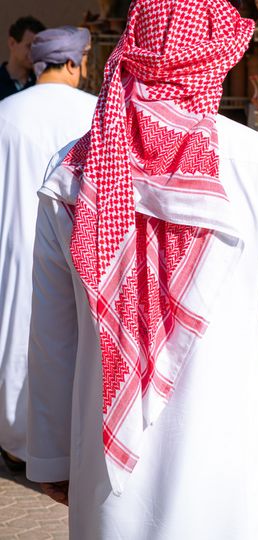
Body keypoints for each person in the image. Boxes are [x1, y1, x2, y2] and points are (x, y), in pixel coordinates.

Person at [26, 1, 258, 538]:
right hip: (233, 480)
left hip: (112, 480)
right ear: (219, 58)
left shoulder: (74, 171)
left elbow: (51, 335)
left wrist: (49, 456)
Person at [0, 26, 96, 474]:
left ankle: (16, 442)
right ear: (74, 63)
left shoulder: (5, 113)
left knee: (15, 338)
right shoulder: (96, 113)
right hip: (75, 251)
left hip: (11, 247)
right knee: (67, 345)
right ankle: (61, 450)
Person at [0, 16, 46, 101]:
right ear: (12, 43)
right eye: (29, 46)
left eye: (38, 48)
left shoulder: (42, 83)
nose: (35, 52)